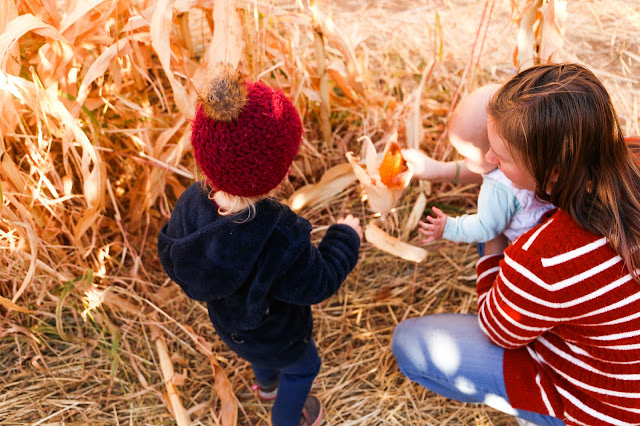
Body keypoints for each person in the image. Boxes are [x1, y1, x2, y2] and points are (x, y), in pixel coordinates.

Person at [392, 63, 640, 426]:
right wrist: (442, 170)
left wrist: (492, 237)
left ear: (552, 172)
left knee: (410, 344)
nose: (490, 162)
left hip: (606, 407)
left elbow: (499, 330)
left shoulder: (543, 257)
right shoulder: (627, 152)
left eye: (502, 158)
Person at [157, 63, 362, 426]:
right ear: (279, 172)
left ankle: (267, 386)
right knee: (304, 368)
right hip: (280, 336)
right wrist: (345, 237)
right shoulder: (280, 235)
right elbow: (319, 283)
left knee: (259, 351)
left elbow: (172, 252)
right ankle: (286, 419)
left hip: (231, 327)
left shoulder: (189, 202)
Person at [403, 84, 554, 250]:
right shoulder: (527, 155)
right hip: (547, 227)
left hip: (524, 248)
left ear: (494, 153)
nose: (463, 160)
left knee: (483, 243)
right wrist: (437, 170)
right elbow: (480, 170)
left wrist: (450, 228)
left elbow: (485, 228)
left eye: (466, 157)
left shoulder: (497, 189)